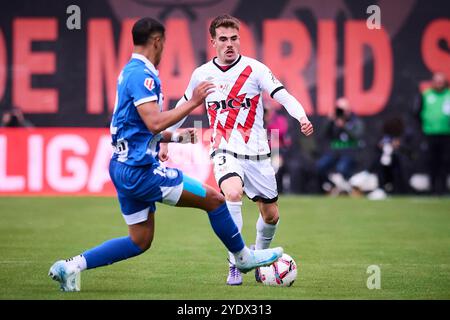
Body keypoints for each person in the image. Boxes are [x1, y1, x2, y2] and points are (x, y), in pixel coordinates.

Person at [48, 17, 282, 292]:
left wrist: (175, 137)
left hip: (122, 166)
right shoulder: (141, 75)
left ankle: (72, 266)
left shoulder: (128, 72)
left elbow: (136, 126)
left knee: (139, 241)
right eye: (164, 43)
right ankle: (243, 258)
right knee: (216, 200)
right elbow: (155, 122)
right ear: (157, 42)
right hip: (140, 171)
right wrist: (194, 102)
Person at [164, 14, 313, 286]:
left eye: (234, 38)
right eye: (223, 39)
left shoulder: (255, 69)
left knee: (271, 214)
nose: (229, 44)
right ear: (213, 42)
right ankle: (236, 261)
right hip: (224, 149)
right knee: (231, 193)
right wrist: (166, 140)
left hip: (257, 153)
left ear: (239, 39)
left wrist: (300, 116)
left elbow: (282, 94)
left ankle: (256, 254)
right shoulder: (202, 74)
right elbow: (184, 106)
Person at [315, 97, 364, 195]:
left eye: (344, 109)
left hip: (350, 152)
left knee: (341, 168)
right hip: (335, 152)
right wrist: (329, 121)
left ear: (349, 109)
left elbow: (357, 136)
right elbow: (322, 136)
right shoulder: (334, 121)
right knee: (320, 166)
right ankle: (329, 187)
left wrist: (344, 126)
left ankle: (350, 189)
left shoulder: (355, 121)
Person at [414, 72, 450, 195]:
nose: (439, 83)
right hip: (430, 134)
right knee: (431, 161)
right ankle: (433, 188)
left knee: (445, 161)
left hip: (447, 134)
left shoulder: (449, 95)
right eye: (437, 81)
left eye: (441, 81)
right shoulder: (426, 95)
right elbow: (416, 113)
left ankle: (444, 188)